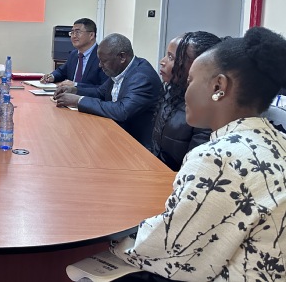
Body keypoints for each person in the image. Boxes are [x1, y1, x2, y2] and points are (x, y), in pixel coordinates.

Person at [110, 27, 286, 281]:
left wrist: (111, 242)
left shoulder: (218, 158)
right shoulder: (276, 139)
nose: (185, 90)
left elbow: (169, 249)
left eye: (191, 81)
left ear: (219, 86)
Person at [54, 33, 161, 147]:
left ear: (122, 57)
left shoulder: (142, 77)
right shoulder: (121, 70)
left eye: (104, 61)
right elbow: (100, 92)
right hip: (116, 134)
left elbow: (122, 111)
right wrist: (74, 90)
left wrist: (78, 100)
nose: (100, 65)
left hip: (137, 145)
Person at [151, 31, 221, 170]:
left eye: (171, 57)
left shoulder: (207, 111)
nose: (162, 61)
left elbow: (194, 168)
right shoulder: (172, 92)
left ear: (197, 65)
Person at [41, 18, 108, 89]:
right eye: (72, 33)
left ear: (91, 35)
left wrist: (76, 85)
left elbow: (104, 89)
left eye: (78, 32)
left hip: (87, 96)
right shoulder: (74, 54)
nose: (74, 36)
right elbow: (62, 71)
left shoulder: (103, 57)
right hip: (68, 94)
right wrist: (52, 76)